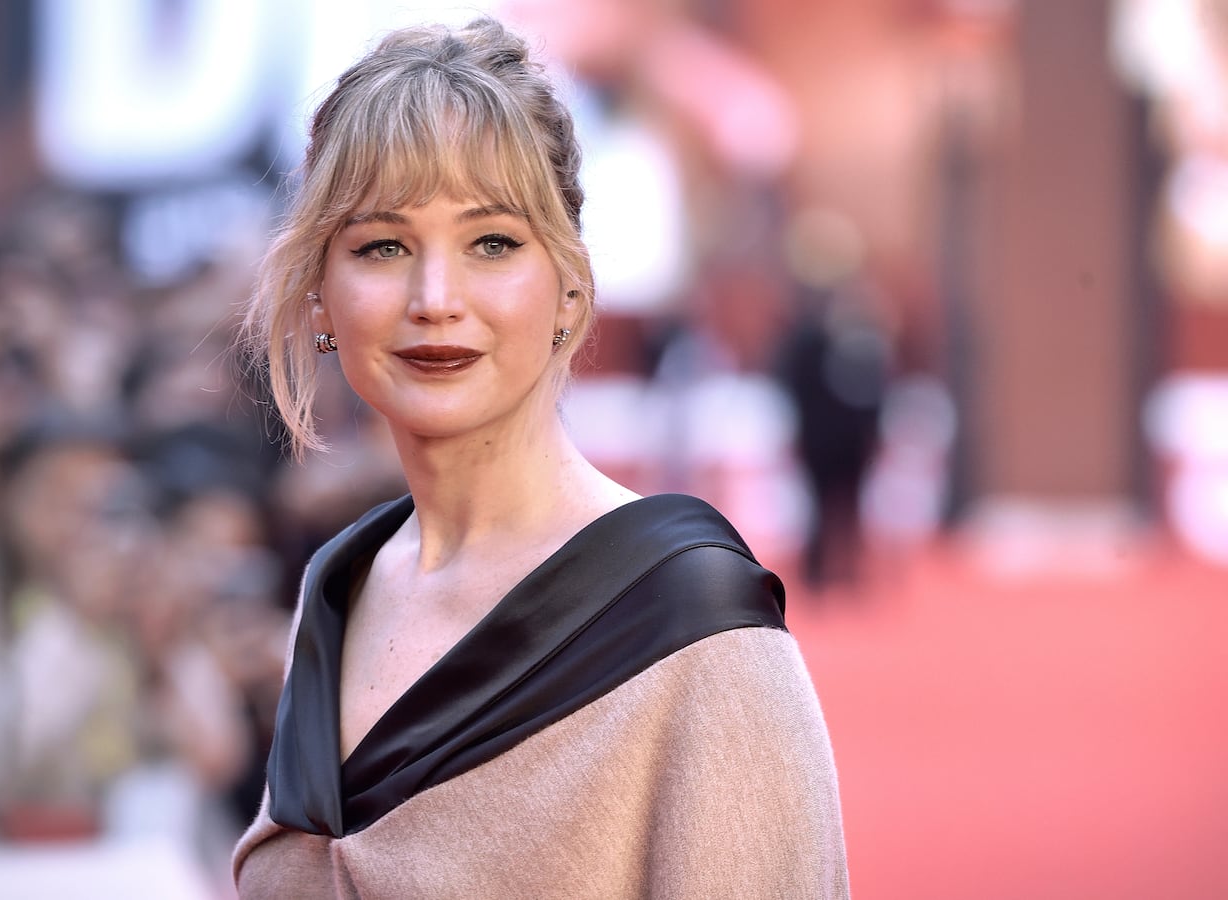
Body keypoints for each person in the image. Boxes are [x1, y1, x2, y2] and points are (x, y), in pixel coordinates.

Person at [233, 18, 848, 899]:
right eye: (382, 246)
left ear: (569, 288)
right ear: (321, 294)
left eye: (492, 243)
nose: (435, 299)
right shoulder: (335, 593)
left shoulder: (694, 632)